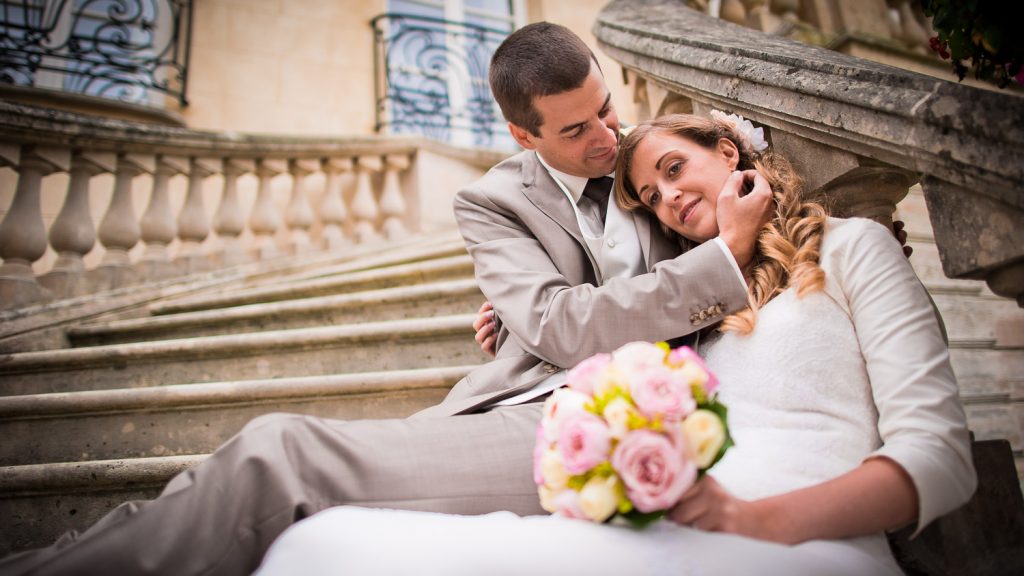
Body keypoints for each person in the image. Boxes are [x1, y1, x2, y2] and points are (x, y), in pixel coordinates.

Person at [0, 23, 769, 576]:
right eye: (577, 130)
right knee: (275, 453)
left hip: (609, 415)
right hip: (529, 405)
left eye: (607, 109)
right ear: (523, 135)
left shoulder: (656, 164)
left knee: (278, 454)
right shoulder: (490, 200)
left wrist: (709, 257)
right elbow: (554, 323)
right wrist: (529, 321)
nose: (608, 135)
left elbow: (598, 293)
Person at [252, 113, 976, 576]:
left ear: (728, 150)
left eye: (672, 170)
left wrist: (754, 520)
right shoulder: (696, 304)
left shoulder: (855, 249)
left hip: (794, 534)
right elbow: (599, 308)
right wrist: (520, 323)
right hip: (667, 522)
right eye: (652, 199)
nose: (669, 200)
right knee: (329, 547)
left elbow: (940, 458)